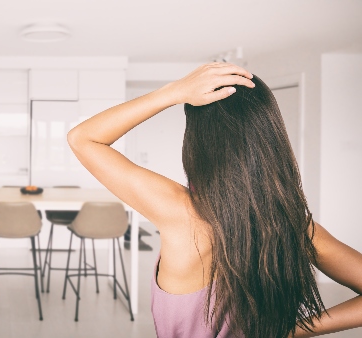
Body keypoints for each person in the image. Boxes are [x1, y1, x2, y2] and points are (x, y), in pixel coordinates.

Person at [67, 63, 362, 338]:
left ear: (198, 139)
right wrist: (295, 329)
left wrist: (174, 91)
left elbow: (84, 138)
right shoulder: (296, 226)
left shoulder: (180, 212)